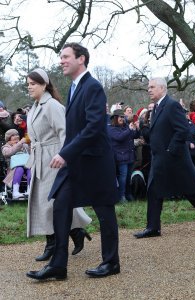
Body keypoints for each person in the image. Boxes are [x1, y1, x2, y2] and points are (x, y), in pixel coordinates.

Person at [26, 43, 120, 280]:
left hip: (96, 162)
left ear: (82, 59)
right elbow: (74, 128)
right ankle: (58, 265)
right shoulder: (74, 88)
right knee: (60, 205)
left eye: (66, 57)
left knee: (104, 211)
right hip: (76, 163)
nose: (61, 61)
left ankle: (111, 262)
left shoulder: (93, 87)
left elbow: (94, 127)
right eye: (61, 57)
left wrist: (65, 153)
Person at [25, 68, 92, 262]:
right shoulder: (36, 106)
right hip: (40, 160)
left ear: (44, 85)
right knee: (48, 203)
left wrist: (64, 158)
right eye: (28, 84)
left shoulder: (52, 105)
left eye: (33, 83)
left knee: (51, 204)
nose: (29, 87)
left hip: (54, 160)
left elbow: (65, 133)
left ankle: (53, 244)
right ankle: (75, 232)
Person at [133, 77, 195, 239]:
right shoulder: (156, 108)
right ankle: (153, 227)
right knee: (153, 190)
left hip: (175, 160)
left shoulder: (172, 105)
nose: (149, 90)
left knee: (192, 192)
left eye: (152, 87)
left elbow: (182, 130)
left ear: (162, 88)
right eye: (148, 87)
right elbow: (158, 134)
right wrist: (144, 129)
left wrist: (170, 150)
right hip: (159, 159)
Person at [108, 109, 140, 202]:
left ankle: (128, 194)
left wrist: (137, 128)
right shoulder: (111, 128)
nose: (122, 118)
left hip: (130, 156)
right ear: (115, 118)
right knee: (123, 177)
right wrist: (129, 129)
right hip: (120, 157)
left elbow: (135, 136)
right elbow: (119, 137)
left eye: (123, 116)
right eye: (120, 117)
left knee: (128, 177)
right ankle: (121, 196)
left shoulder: (126, 126)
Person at [1, 129, 31, 199]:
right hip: (13, 169)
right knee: (19, 169)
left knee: (31, 169)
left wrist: (29, 144)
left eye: (17, 134)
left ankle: (30, 190)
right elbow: (8, 153)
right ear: (9, 138)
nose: (16, 136)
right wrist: (19, 143)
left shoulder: (24, 145)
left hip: (26, 165)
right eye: (13, 135)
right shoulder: (5, 147)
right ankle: (15, 192)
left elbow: (31, 153)